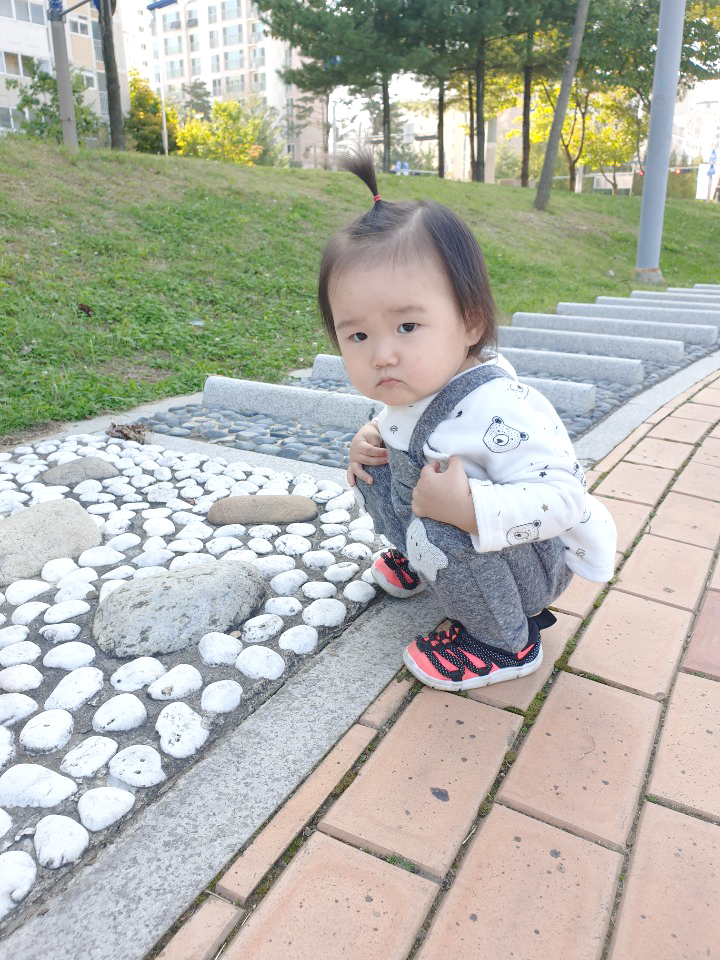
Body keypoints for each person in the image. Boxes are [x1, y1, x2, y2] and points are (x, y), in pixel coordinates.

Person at [317, 150, 617, 692]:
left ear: (470, 321)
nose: (382, 354)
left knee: (444, 521)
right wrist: (372, 437)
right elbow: (402, 425)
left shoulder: (501, 407)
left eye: (407, 326)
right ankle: (425, 557)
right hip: (467, 543)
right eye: (357, 336)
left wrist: (470, 510)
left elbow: (565, 498)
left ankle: (505, 641)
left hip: (529, 562)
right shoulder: (418, 382)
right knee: (378, 469)